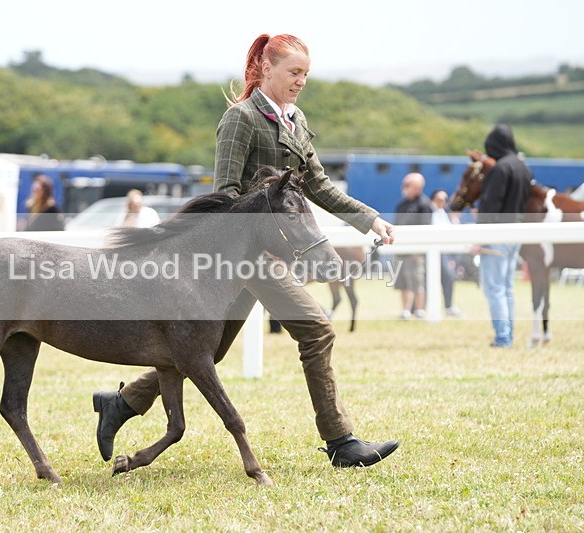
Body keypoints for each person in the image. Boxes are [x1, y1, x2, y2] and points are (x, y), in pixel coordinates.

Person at [92, 33, 399, 469]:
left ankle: (120, 404)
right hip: (247, 258)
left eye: (306, 74)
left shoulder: (295, 119)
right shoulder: (241, 119)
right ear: (266, 70)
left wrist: (369, 218)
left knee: (206, 350)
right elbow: (225, 194)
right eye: (294, 73)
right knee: (317, 330)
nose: (301, 81)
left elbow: (319, 187)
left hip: (267, 257)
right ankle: (342, 442)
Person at [476, 124, 531, 347]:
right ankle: (508, 333)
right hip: (516, 233)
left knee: (494, 287)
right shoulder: (523, 168)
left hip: (497, 233)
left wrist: (480, 237)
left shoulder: (500, 169)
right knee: (507, 287)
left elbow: (490, 205)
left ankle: (502, 336)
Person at [393, 173, 432, 319]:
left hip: (415, 252)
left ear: (417, 187)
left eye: (408, 185)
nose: (405, 188)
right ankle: (405, 310)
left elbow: (426, 228)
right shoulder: (401, 204)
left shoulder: (424, 204)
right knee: (402, 282)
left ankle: (420, 309)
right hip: (401, 249)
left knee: (417, 281)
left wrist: (418, 249)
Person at [430, 189, 461, 317]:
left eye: (445, 200)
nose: (443, 202)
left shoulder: (445, 214)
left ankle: (448, 306)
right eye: (440, 199)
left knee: (449, 278)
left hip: (445, 253)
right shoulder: (429, 212)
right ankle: (417, 308)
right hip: (433, 251)